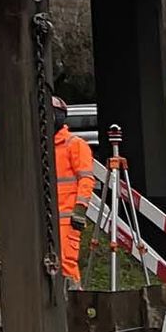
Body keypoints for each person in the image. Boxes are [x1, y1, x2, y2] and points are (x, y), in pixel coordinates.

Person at [51, 97, 96, 285]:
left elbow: (86, 179)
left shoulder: (74, 144)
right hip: (47, 219)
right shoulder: (42, 147)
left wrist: (80, 209)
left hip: (66, 220)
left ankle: (74, 303)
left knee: (66, 264)